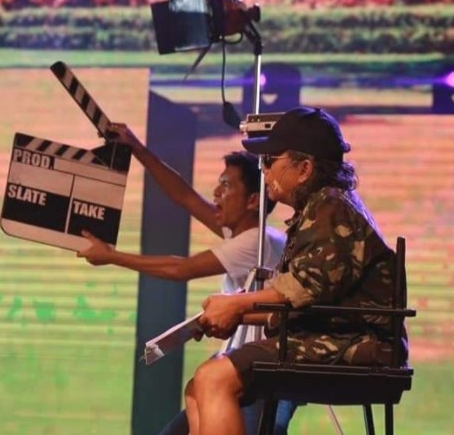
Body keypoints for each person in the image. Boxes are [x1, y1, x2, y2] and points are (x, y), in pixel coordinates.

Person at [184, 107, 407, 435]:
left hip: (359, 344)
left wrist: (235, 306)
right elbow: (301, 300)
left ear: (304, 169)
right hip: (331, 334)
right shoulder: (320, 207)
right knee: (197, 389)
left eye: (271, 160)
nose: (264, 169)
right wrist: (233, 314)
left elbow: (300, 290)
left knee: (213, 378)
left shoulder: (331, 209)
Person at [76, 123, 297, 435]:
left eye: (226, 186)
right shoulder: (250, 235)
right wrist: (137, 148)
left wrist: (112, 256)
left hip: (258, 374)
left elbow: (181, 269)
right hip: (242, 367)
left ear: (252, 201)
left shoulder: (254, 242)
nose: (216, 193)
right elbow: (184, 196)